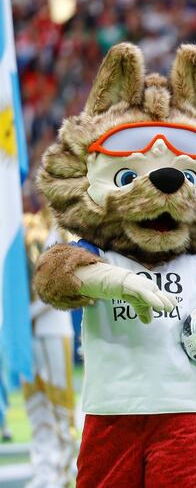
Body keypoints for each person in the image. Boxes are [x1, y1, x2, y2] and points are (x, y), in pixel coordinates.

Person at [22, 207, 78, 488]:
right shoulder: (19, 226)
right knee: (36, 406)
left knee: (60, 405)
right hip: (23, 333)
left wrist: (24, 315)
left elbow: (61, 282)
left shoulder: (63, 228)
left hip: (53, 326)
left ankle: (63, 471)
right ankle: (44, 471)